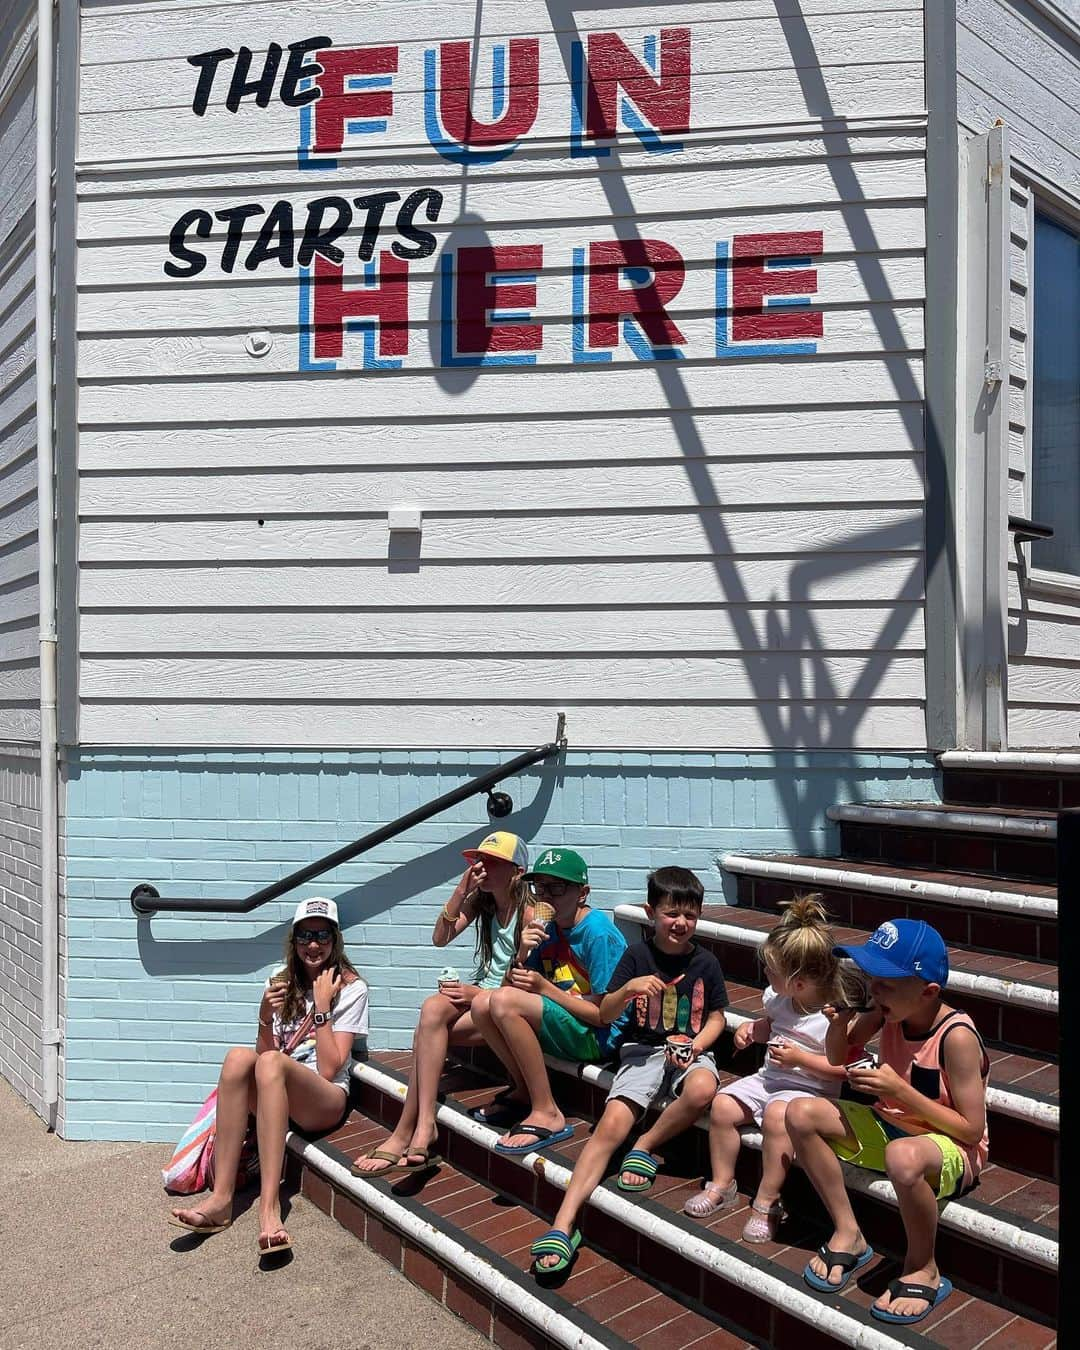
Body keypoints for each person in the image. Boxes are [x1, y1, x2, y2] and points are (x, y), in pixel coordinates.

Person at [787, 919, 989, 1327]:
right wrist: (838, 1025)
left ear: (928, 991)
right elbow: (839, 1057)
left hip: (948, 1147)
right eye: (872, 979)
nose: (874, 991)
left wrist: (900, 1090)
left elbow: (971, 1129)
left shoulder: (957, 1036)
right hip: (892, 1127)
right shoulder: (887, 1012)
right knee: (799, 1112)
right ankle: (848, 1231)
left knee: (902, 1156)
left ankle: (923, 1266)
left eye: (887, 984)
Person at [531, 866, 728, 1275]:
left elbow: (716, 1018)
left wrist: (697, 1045)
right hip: (640, 1052)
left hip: (690, 1050)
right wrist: (630, 989)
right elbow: (605, 1011)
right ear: (650, 912)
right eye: (671, 913)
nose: (681, 923)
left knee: (702, 1089)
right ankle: (564, 1223)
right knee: (611, 1124)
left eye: (690, 915)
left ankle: (645, 1145)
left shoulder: (706, 962)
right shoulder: (636, 956)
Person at [169, 896, 368, 1254]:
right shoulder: (279, 982)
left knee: (273, 1064)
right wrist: (264, 1014)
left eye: (323, 936)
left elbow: (329, 1068)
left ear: (335, 940)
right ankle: (221, 1199)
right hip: (281, 1091)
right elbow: (263, 1056)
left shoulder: (351, 987)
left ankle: (269, 1208)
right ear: (294, 940)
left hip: (324, 1099)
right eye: (305, 935)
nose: (313, 945)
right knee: (237, 1059)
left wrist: (322, 1007)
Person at [350, 830, 531, 1176]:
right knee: (432, 1009)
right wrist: (462, 890)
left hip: (503, 1004)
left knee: (425, 1034)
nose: (483, 868)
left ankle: (410, 1129)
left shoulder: (531, 910)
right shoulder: (485, 901)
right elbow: (440, 938)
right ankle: (422, 1124)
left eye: (493, 863)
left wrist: (476, 995)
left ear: (517, 871)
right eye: (480, 861)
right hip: (482, 992)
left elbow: (524, 982)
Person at [684, 894, 851, 1240]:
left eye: (771, 971)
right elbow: (770, 1025)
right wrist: (751, 1031)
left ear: (799, 983)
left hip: (810, 1093)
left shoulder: (833, 1017)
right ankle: (722, 1183)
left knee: (777, 1116)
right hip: (769, 1080)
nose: (765, 974)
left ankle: (767, 1201)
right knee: (723, 1105)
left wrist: (800, 1059)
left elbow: (842, 1070)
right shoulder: (780, 999)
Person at [470, 846, 627, 1156]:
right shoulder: (547, 929)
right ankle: (524, 1090)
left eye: (557, 887)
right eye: (539, 887)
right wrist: (522, 954)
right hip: (566, 1023)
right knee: (481, 1004)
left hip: (599, 1036)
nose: (546, 897)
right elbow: (507, 989)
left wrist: (544, 988)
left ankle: (548, 1111)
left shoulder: (598, 935)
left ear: (582, 893)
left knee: (502, 1002)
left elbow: (603, 1015)